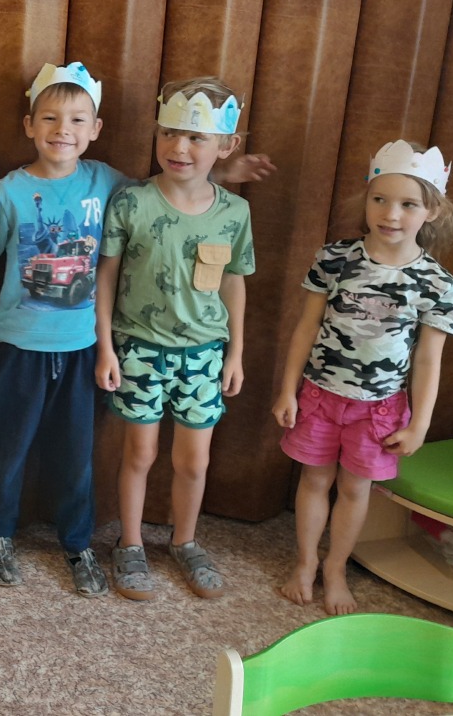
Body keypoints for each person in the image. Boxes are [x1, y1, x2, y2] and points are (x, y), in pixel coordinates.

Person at [0, 61, 122, 597]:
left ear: (95, 128)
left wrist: (221, 173)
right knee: (3, 450)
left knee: (75, 455)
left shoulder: (107, 182)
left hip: (81, 349)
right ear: (29, 125)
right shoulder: (8, 193)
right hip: (17, 349)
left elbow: (165, 193)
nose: (62, 130)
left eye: (77, 120)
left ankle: (78, 540)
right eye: (49, 118)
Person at [272, 140, 453, 615]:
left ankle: (335, 567)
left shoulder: (438, 284)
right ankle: (306, 563)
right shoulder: (335, 258)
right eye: (380, 199)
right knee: (315, 480)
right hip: (319, 396)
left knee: (356, 489)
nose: (390, 214)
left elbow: (429, 360)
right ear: (367, 197)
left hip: (380, 408)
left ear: (432, 211)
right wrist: (289, 389)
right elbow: (306, 327)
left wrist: (419, 424)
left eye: (408, 204)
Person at [95, 76, 255, 602]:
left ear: (226, 146)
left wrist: (235, 352)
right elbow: (106, 277)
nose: (178, 148)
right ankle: (131, 543)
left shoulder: (234, 213)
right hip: (138, 348)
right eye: (169, 133)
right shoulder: (131, 202)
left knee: (193, 460)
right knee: (139, 453)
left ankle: (185, 541)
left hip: (205, 354)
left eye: (195, 138)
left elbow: (234, 281)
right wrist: (105, 346)